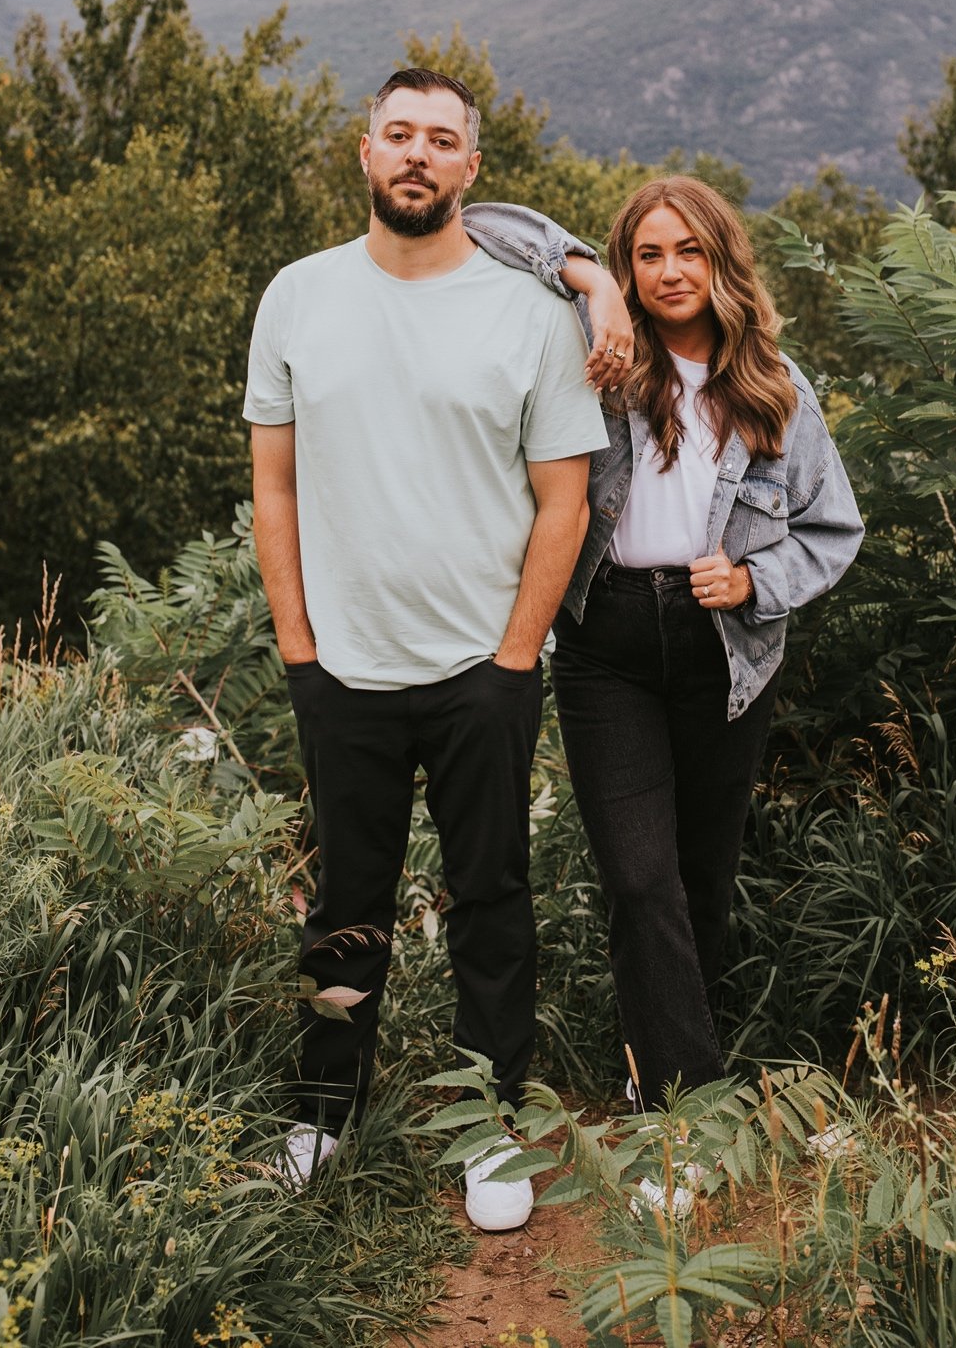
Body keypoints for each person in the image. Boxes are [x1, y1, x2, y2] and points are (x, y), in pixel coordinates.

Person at [245, 67, 608, 1227]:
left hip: (479, 672)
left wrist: (515, 658)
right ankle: (324, 1109)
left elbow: (566, 501)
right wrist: (299, 646)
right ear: (364, 152)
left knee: (491, 900)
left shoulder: (533, 315)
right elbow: (275, 482)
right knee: (347, 901)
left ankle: (488, 1126)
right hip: (341, 665)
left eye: (439, 139)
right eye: (397, 133)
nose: (416, 153)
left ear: (471, 169)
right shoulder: (297, 296)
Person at [464, 179, 863, 1123]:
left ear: (721, 259)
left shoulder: (776, 385)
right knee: (640, 877)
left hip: (728, 645)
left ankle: (651, 1064)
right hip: (605, 640)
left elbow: (833, 528)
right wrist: (590, 283)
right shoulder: (601, 356)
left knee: (699, 882)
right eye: (648, 254)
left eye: (689, 250)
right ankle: (687, 1118)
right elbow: (481, 222)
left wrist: (757, 583)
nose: (670, 270)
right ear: (628, 266)